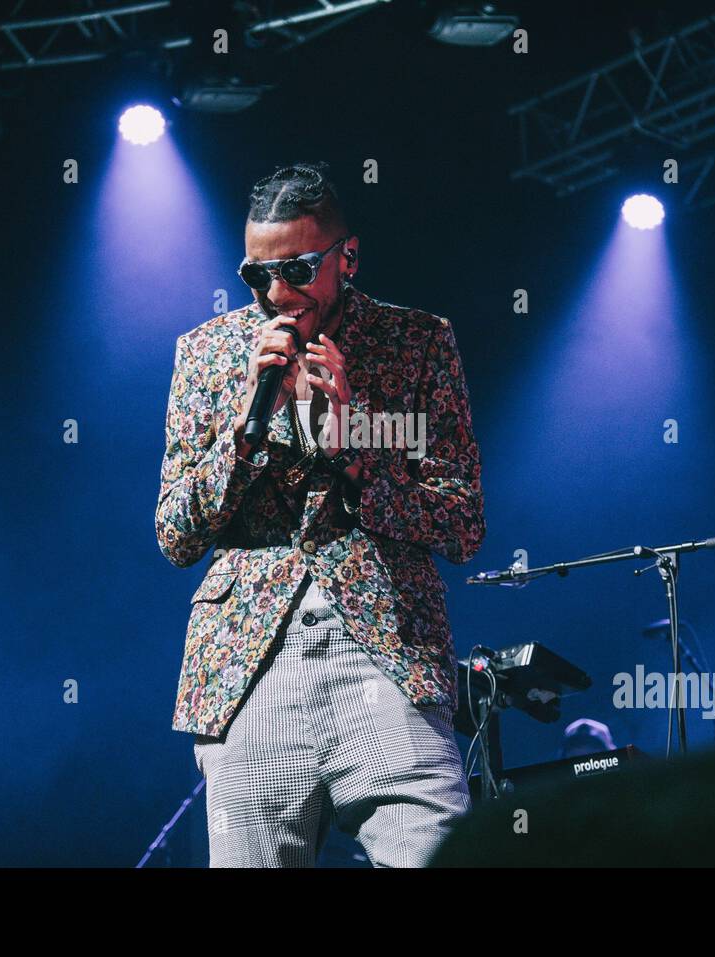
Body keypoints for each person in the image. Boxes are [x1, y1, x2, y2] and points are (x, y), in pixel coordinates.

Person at [155, 161, 485, 866]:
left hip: (388, 654)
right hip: (248, 667)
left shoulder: (416, 344)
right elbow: (175, 533)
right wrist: (246, 435)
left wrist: (356, 452)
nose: (277, 293)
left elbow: (462, 522)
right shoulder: (206, 354)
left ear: (348, 257)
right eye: (256, 274)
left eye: (299, 270)